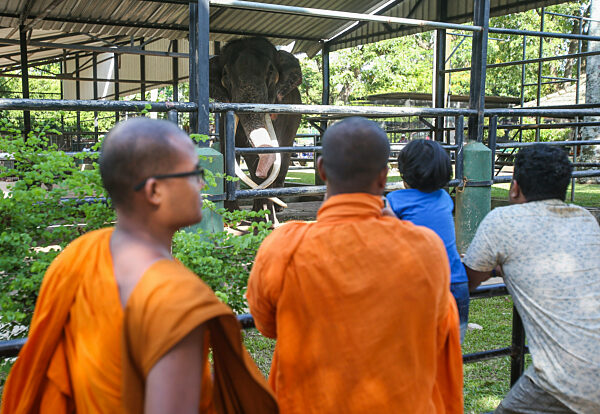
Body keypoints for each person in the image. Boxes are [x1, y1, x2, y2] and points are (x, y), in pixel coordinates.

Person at [1, 118, 278, 414]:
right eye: (193, 173)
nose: (202, 183)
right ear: (155, 191)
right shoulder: (175, 300)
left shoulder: (77, 255)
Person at [247, 117, 463, 414]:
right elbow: (438, 326)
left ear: (321, 170)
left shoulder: (283, 246)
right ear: (384, 176)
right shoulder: (426, 248)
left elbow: (266, 325)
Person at [463, 144, 600, 413]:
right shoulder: (585, 219)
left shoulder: (502, 220)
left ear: (514, 187)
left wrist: (497, 267)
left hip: (568, 376)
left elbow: (468, 280)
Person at [386, 139, 470, 342]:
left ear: (403, 173)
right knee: (450, 347)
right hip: (456, 282)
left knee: (418, 347)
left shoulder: (395, 201)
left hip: (421, 285)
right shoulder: (444, 198)